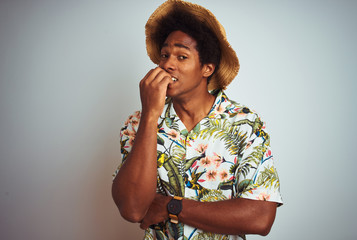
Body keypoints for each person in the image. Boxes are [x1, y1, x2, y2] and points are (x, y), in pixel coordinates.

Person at [112, 0, 283, 239]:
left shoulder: (244, 124)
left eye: (182, 56)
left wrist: (171, 206)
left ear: (207, 69)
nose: (167, 64)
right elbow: (132, 209)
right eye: (164, 55)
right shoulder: (138, 121)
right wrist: (150, 114)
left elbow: (260, 217)